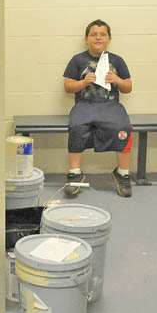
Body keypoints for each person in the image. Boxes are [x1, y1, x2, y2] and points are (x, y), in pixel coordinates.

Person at [62, 19, 133, 197]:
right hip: (84, 105)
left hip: (111, 105)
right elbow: (68, 86)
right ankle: (75, 174)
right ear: (87, 38)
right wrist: (82, 83)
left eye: (103, 34)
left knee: (123, 128)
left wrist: (117, 80)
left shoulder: (117, 60)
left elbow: (128, 87)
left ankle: (122, 173)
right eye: (94, 34)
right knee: (76, 127)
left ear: (109, 38)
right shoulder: (77, 60)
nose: (98, 38)